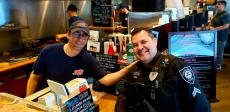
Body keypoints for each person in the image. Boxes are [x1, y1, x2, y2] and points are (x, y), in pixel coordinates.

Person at [26, 20, 138, 96]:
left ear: (87, 38)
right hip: (47, 100)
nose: (80, 38)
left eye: (84, 35)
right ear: (68, 35)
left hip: (72, 103)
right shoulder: (48, 51)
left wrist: (129, 68)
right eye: (76, 34)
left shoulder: (87, 59)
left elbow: (106, 80)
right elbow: (34, 77)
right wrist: (27, 101)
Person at [115, 28, 211, 112]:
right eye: (135, 45)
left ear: (155, 42)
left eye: (144, 42)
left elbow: (199, 105)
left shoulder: (176, 66)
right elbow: (122, 99)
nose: (140, 47)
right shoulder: (134, 70)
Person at [206, 0, 230, 70]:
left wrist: (214, 29)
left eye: (218, 4)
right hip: (214, 35)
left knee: (219, 52)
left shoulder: (226, 14)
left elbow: (226, 26)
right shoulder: (217, 13)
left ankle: (218, 66)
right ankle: (214, 64)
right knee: (215, 51)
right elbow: (212, 21)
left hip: (221, 36)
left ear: (223, 6)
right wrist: (208, 26)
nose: (216, 5)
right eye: (216, 4)